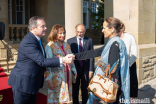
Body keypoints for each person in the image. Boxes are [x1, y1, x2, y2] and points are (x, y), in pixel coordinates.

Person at [8, 16, 74, 104]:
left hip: (32, 84)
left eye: (45, 26)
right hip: (23, 84)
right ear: (33, 28)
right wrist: (63, 60)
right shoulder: (29, 41)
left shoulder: (37, 40)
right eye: (42, 26)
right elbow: (42, 61)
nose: (45, 28)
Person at [75, 17, 130, 104]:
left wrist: (99, 63)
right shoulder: (113, 42)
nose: (102, 30)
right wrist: (75, 56)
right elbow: (94, 52)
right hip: (109, 88)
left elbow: (112, 70)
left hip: (107, 90)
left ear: (112, 30)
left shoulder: (114, 45)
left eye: (104, 28)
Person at [44, 24, 77, 104]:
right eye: (60, 33)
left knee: (65, 100)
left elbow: (71, 60)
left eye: (64, 33)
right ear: (55, 33)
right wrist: (49, 81)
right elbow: (47, 65)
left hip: (67, 77)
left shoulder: (66, 45)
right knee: (56, 100)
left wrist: (74, 71)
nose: (63, 35)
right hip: (56, 79)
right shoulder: (50, 46)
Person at [67, 24, 94, 104]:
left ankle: (85, 102)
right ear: (76, 31)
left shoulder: (89, 40)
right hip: (74, 69)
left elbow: (92, 56)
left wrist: (91, 70)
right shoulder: (70, 41)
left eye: (81, 32)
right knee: (75, 88)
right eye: (78, 32)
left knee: (85, 88)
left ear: (84, 32)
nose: (79, 33)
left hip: (85, 69)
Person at [118, 21, 138, 104]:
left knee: (131, 91)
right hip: (118, 68)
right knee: (118, 90)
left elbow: (135, 55)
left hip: (130, 66)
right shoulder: (115, 38)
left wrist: (126, 65)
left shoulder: (130, 37)